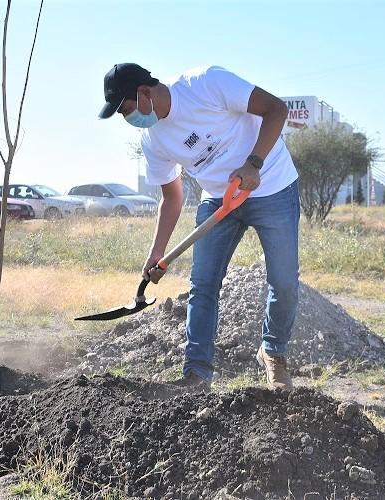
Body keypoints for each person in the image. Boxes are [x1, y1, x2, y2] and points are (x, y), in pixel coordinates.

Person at [98, 63, 299, 390]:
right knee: (203, 285)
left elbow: (276, 109)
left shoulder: (205, 84)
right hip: (220, 199)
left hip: (271, 184)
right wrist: (157, 252)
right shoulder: (153, 141)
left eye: (125, 109)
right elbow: (172, 197)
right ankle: (196, 373)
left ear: (144, 93)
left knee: (284, 280)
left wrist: (253, 163)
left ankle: (273, 354)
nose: (126, 119)